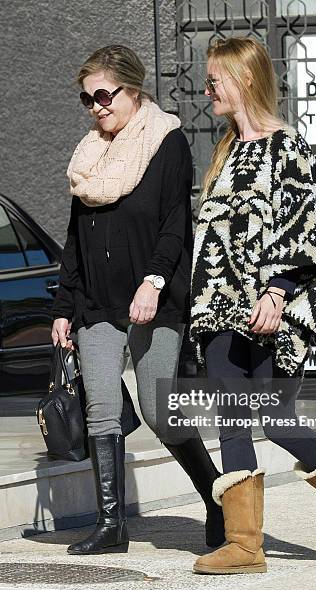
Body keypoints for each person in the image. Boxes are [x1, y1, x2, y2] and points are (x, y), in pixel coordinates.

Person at [189, 37, 316, 575]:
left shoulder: (289, 147)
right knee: (232, 412)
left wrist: (276, 290)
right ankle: (244, 545)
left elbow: (309, 229)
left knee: (272, 414)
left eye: (214, 80)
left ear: (244, 79)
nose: (207, 89)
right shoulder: (225, 150)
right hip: (220, 307)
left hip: (279, 310)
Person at [51, 44, 224, 555]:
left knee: (159, 413)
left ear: (132, 89)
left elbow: (176, 223)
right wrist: (64, 306)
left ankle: (217, 503)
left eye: (104, 95)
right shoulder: (88, 156)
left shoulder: (167, 142)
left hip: (152, 297)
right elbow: (76, 235)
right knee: (101, 409)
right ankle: (112, 526)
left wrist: (153, 281)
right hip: (97, 300)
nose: (97, 106)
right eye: (87, 99)